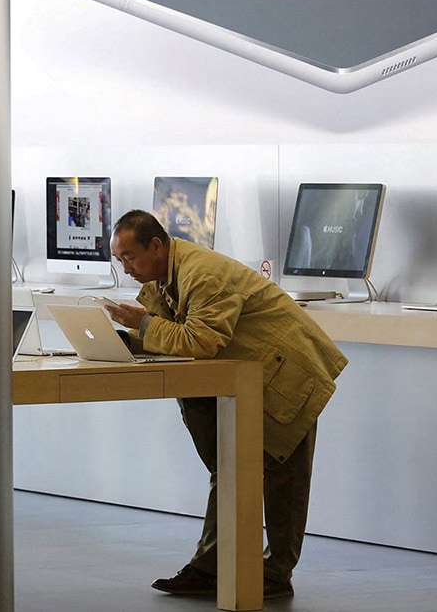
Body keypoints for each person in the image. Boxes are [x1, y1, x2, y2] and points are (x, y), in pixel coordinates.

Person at [102, 210, 348, 600]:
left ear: (156, 245)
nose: (126, 267)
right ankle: (210, 566)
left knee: (284, 475)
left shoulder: (203, 274)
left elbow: (201, 341)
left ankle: (275, 572)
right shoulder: (167, 277)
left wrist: (143, 325)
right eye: (119, 260)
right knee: (231, 467)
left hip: (290, 371)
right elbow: (180, 336)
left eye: (130, 256)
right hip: (254, 374)